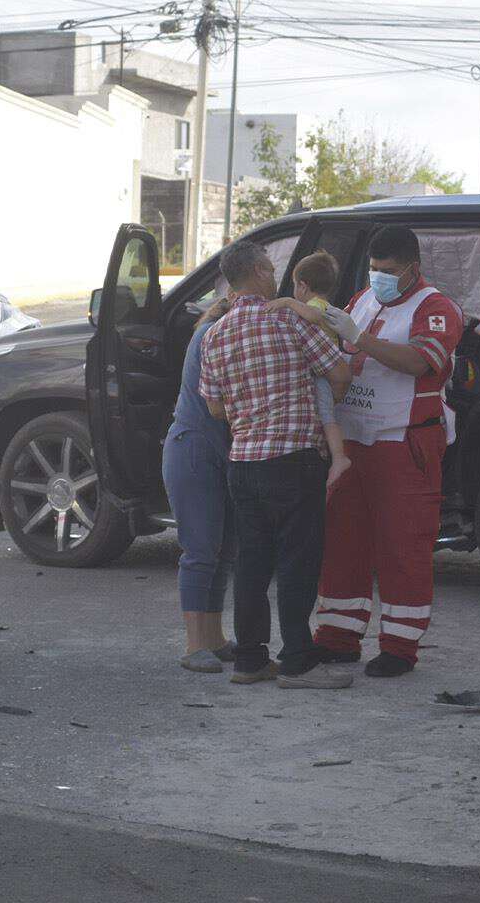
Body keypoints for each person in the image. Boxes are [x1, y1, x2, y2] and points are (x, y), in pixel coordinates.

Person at [302, 226, 464, 678]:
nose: (379, 278)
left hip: (404, 442)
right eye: (373, 269)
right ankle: (337, 636)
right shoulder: (363, 300)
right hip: (354, 440)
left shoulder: (436, 308)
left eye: (388, 271)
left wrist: (360, 337)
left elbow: (419, 361)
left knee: (403, 546)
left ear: (413, 268)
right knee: (343, 541)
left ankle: (399, 646)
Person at [198, 242, 355, 690]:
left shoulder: (215, 334)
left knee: (251, 563)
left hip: (243, 464)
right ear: (263, 272)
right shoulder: (288, 319)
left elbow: (213, 408)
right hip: (293, 460)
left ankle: (249, 660)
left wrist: (251, 410)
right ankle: (298, 661)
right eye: (271, 269)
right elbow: (338, 373)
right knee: (297, 562)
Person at [165, 295, 237, 672]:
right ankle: (195, 645)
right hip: (194, 450)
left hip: (213, 451)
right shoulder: (211, 335)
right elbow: (219, 403)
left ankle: (214, 637)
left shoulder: (213, 332)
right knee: (201, 550)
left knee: (222, 551)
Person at [278, 250, 351, 492]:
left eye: (294, 287)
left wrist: (288, 302)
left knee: (327, 415)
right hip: (328, 368)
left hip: (323, 373)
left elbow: (313, 315)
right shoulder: (325, 304)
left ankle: (339, 457)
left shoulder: (315, 305)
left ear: (302, 285)